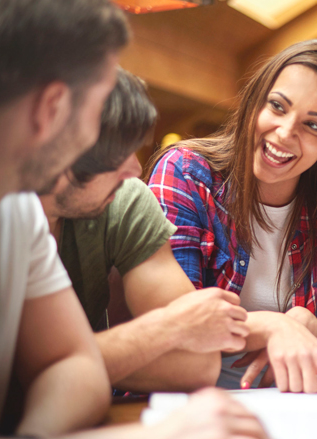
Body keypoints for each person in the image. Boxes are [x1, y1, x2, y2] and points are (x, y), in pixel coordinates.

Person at [0, 1, 266, 438]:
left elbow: (69, 363)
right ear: (51, 108)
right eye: (99, 110)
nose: (134, 167)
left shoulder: (17, 208)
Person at [149, 39, 317, 393]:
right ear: (257, 101)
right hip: (185, 400)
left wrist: (308, 326)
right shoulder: (185, 173)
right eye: (277, 106)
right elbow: (175, 323)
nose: (286, 133)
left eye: (314, 126)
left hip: (289, 406)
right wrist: (275, 327)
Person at [39, 68, 250, 392]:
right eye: (114, 153)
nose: (136, 169)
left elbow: (197, 362)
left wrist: (54, 369)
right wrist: (168, 328)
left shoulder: (123, 198)